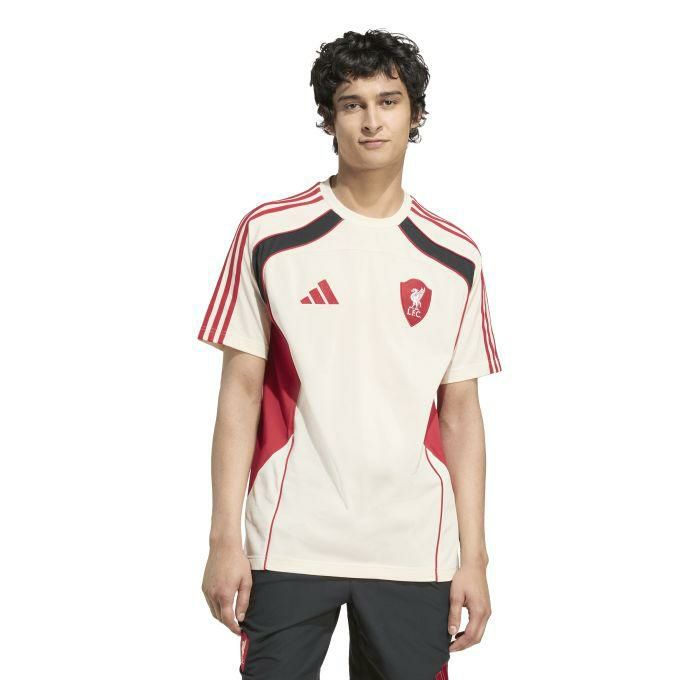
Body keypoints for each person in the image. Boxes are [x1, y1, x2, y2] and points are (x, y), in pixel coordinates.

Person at [197, 29, 502, 680]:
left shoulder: (456, 256)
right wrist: (224, 538)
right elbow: (239, 393)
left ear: (414, 114)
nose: (371, 121)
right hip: (290, 538)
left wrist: (473, 557)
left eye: (388, 101)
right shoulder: (270, 235)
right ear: (328, 117)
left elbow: (461, 414)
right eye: (351, 103)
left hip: (414, 548)